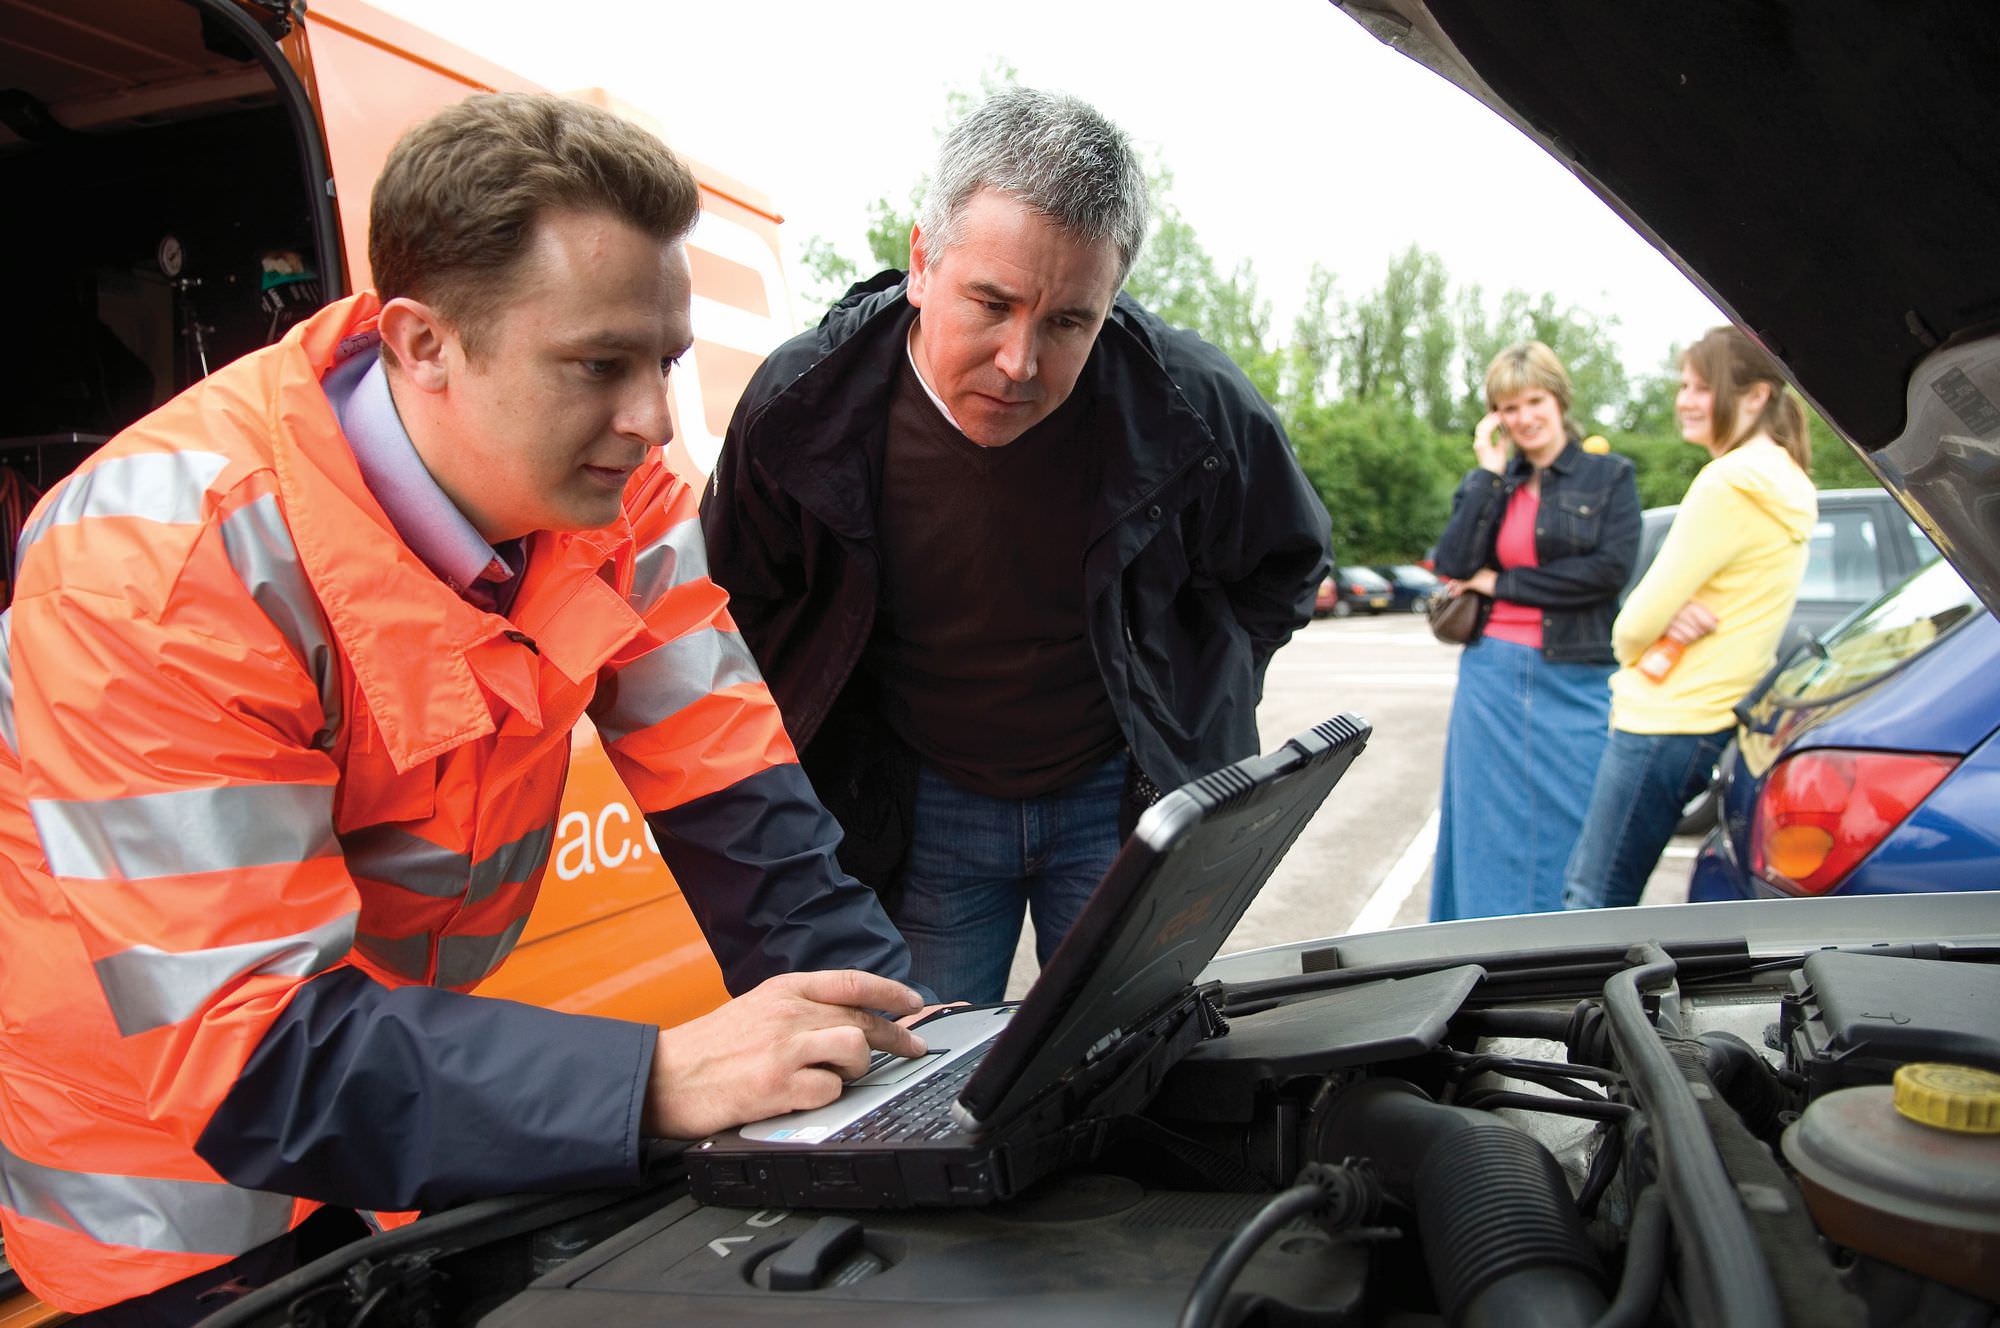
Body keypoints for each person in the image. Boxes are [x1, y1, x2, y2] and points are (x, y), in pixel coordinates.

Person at [0, 94, 933, 1321]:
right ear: (423, 343)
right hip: (171, 1203)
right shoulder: (162, 562)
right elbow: (255, 1059)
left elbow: (756, 835)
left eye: (662, 360)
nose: (653, 421)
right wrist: (654, 1075)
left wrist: (933, 1070)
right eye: (598, 364)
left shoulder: (616, 498)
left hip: (411, 1117)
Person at [700, 88, 1331, 1003]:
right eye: (990, 303)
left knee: (1132, 1073)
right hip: (922, 807)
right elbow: (740, 603)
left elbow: (1282, 566)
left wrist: (1190, 696)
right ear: (923, 261)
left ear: (1111, 301)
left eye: (1070, 319)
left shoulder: (1193, 405)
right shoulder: (806, 403)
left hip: (1121, 804)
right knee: (925, 1078)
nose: (1019, 361)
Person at [1563, 327, 1816, 910]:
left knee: (1591, 899)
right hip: (1711, 715)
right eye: (1683, 385)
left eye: (1703, 387)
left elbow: (1629, 630)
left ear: (1754, 397)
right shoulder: (1788, 480)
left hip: (1664, 717)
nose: (1685, 399)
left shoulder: (1728, 482)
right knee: (1609, 892)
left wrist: (1656, 621)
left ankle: (1592, 1005)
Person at [1430, 341, 1641, 920]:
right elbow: (1453, 561)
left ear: (1558, 399)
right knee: (1486, 824)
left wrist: (1499, 584)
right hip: (1491, 673)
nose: (1523, 418)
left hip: (1575, 670)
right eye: (1508, 407)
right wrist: (1486, 475)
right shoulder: (1497, 482)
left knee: (1577, 816)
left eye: (1533, 401)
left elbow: (1605, 575)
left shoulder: (1609, 476)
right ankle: (1480, 949)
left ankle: (1563, 946)